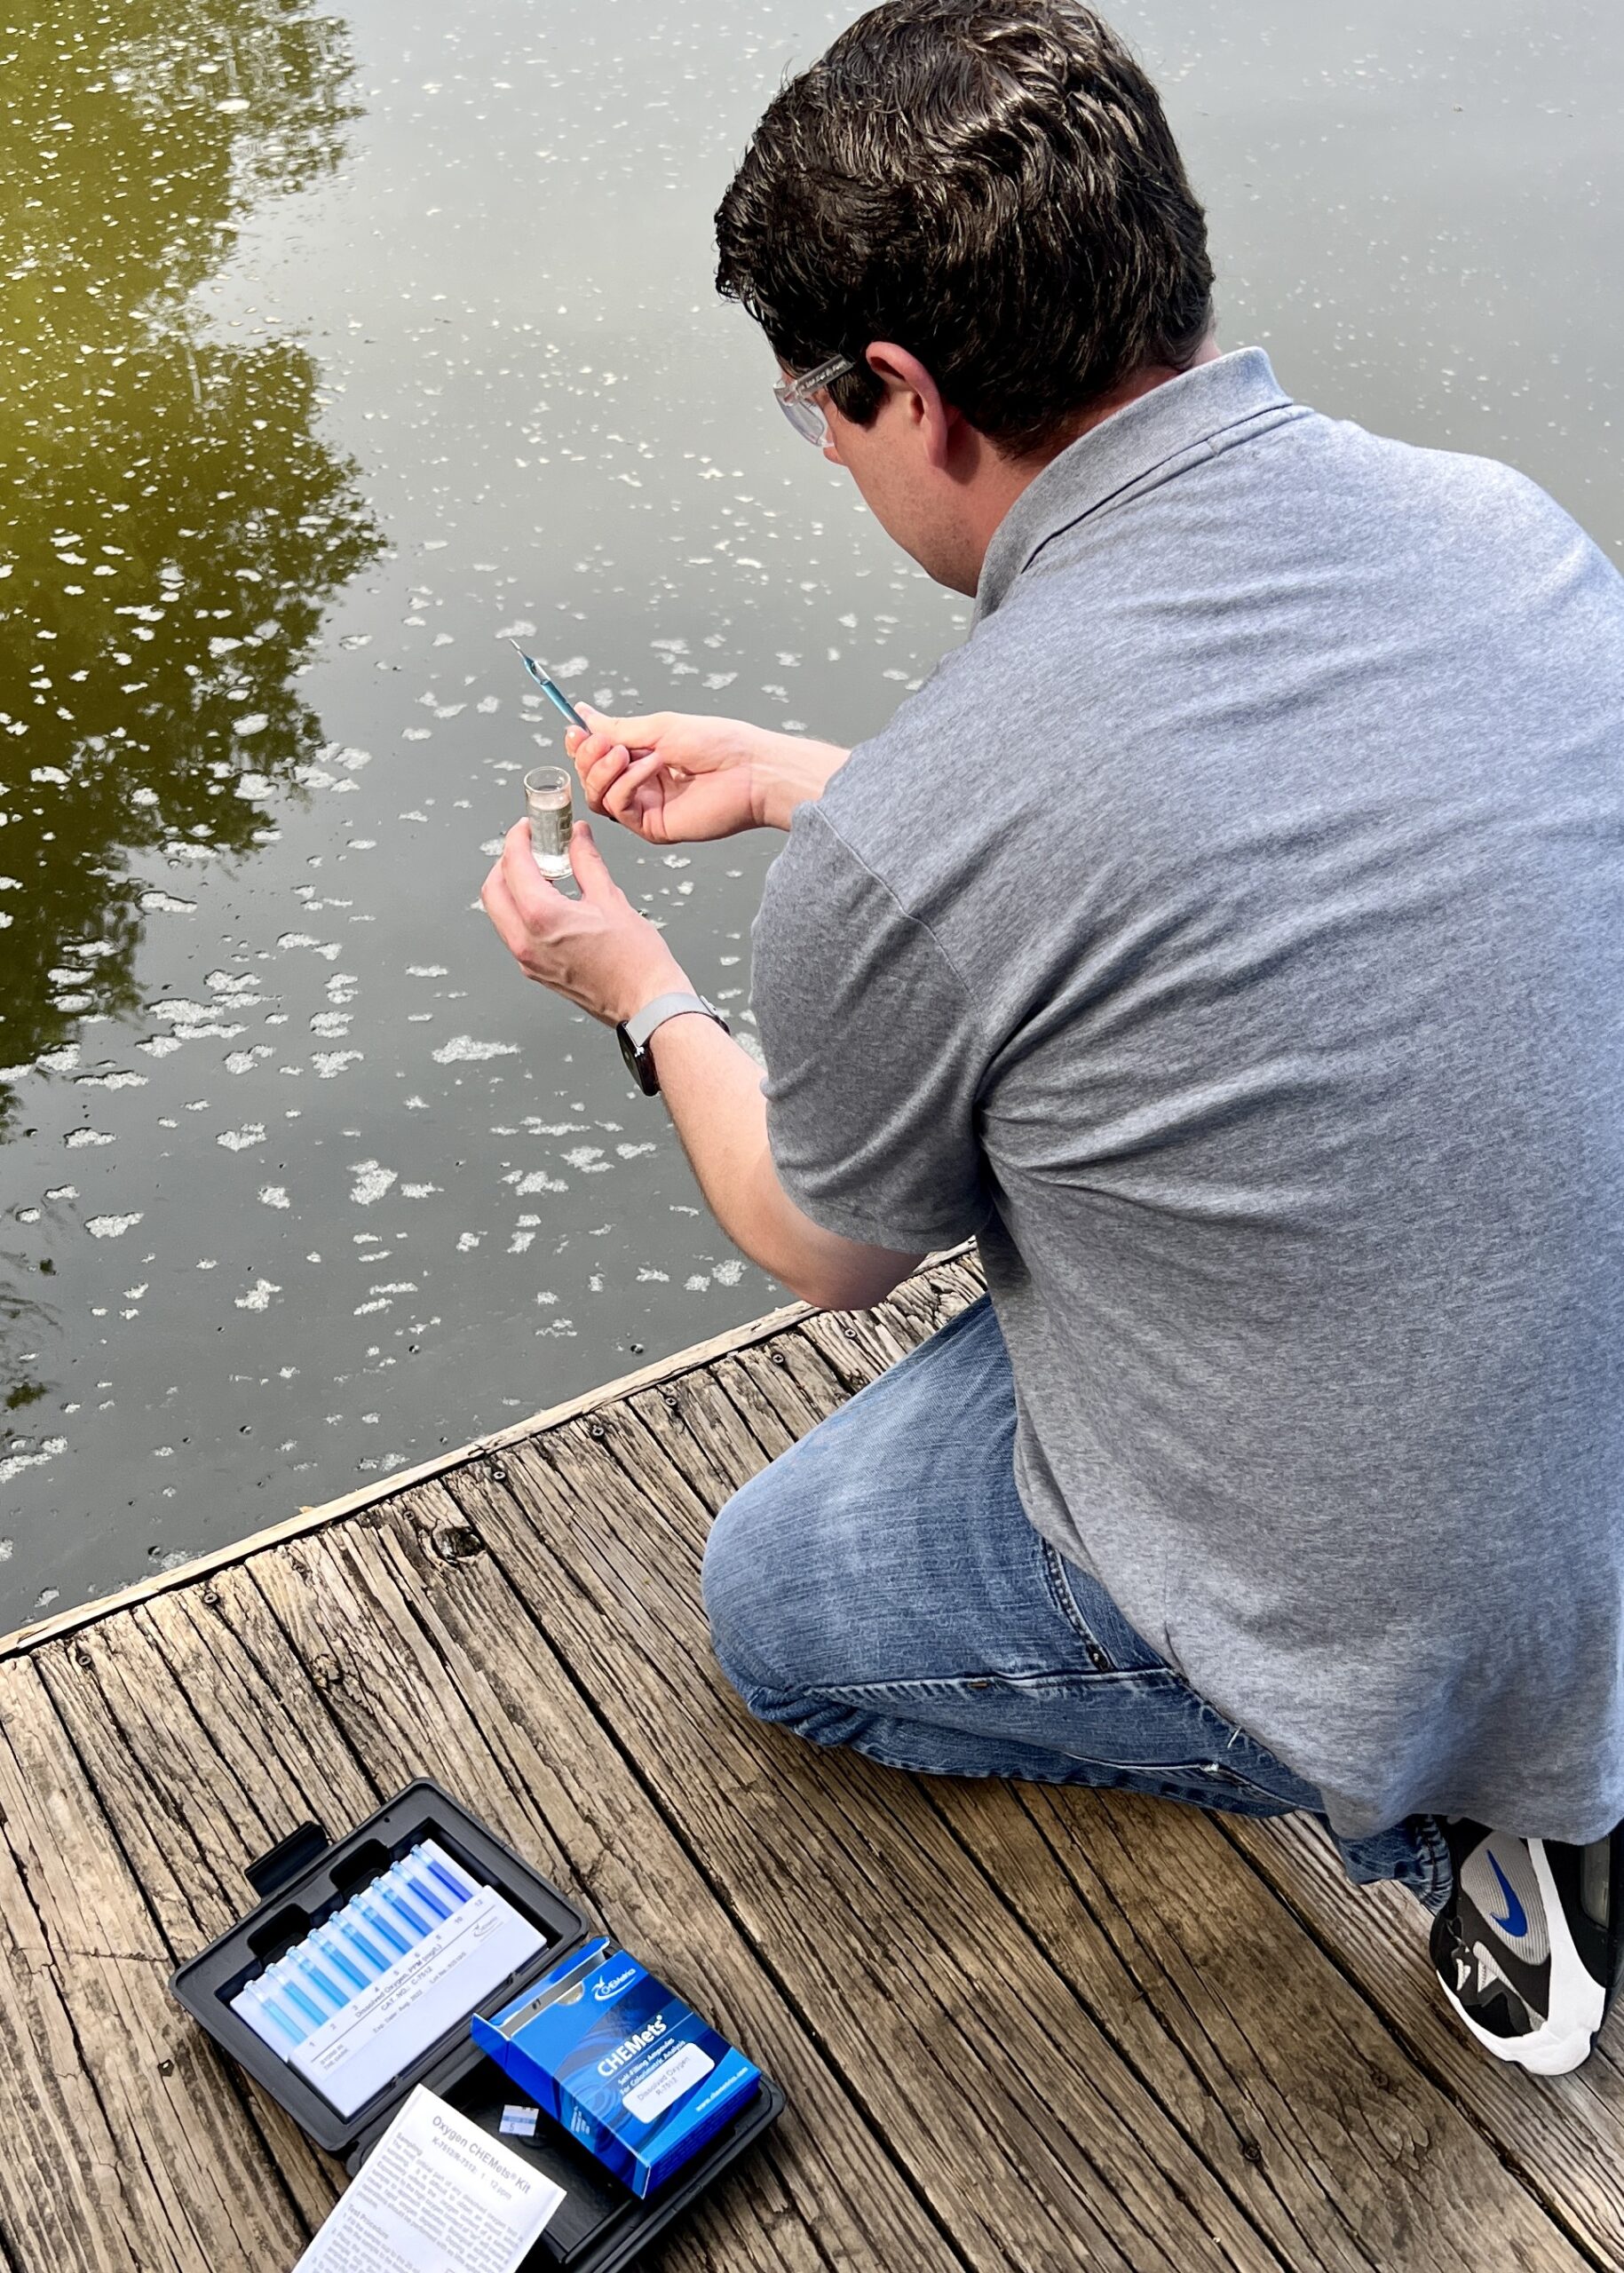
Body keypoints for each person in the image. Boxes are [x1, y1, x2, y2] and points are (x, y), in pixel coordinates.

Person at [480, 0, 1624, 2075]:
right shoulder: (1508, 528)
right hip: (1584, 1416)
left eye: (817, 414)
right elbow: (1237, 827)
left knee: (777, 1597)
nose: (827, 457)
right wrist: (831, 785)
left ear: (902, 388)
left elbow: (822, 1240)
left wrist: (633, 988)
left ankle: (1457, 1800)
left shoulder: (940, 830)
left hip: (1402, 1594)